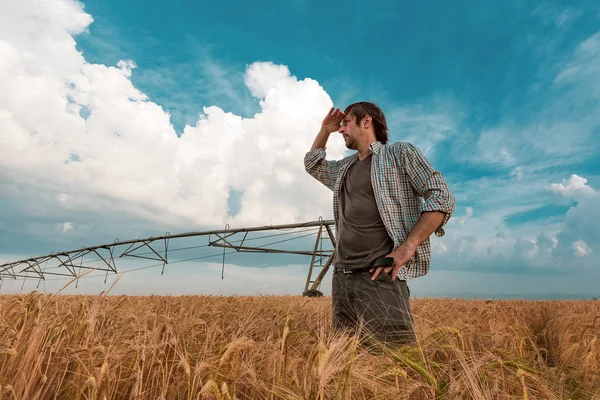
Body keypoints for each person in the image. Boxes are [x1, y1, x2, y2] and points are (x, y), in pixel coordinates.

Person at [304, 102, 455, 348]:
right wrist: (325, 130)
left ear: (367, 121)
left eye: (346, 123)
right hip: (342, 277)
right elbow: (313, 165)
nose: (341, 130)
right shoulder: (345, 168)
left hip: (379, 275)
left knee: (395, 363)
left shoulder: (398, 155)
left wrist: (409, 246)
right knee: (347, 365)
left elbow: (442, 196)